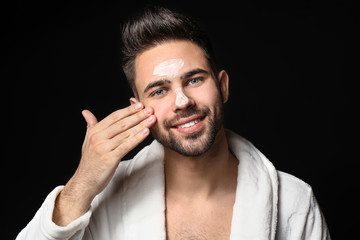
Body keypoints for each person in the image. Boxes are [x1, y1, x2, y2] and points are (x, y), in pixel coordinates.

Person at [16, 6, 330, 240]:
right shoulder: (100, 200)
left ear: (223, 86)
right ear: (138, 108)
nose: (182, 102)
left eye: (194, 79)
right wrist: (81, 185)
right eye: (160, 90)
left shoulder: (295, 201)